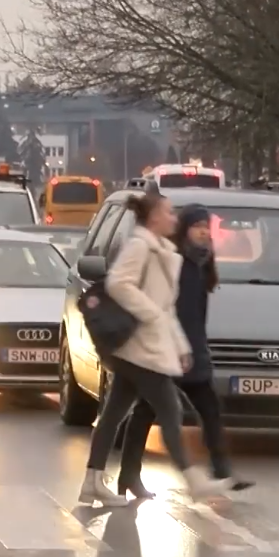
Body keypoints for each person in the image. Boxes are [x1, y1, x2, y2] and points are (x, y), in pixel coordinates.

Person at [77, 192, 225, 506]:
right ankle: (195, 482)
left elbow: (167, 307)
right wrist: (151, 314)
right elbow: (119, 283)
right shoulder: (140, 246)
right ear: (154, 217)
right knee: (171, 410)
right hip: (140, 348)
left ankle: (91, 481)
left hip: (142, 347)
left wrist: (181, 346)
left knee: (114, 413)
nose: (174, 218)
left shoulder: (162, 250)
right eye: (169, 213)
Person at [115, 204, 252, 499]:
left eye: (206, 226)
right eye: (196, 226)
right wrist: (173, 346)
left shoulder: (202, 265)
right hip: (167, 350)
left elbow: (196, 315)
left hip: (192, 351)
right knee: (145, 413)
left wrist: (196, 348)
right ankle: (129, 474)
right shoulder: (173, 262)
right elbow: (167, 309)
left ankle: (222, 471)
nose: (203, 231)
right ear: (184, 231)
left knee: (210, 411)